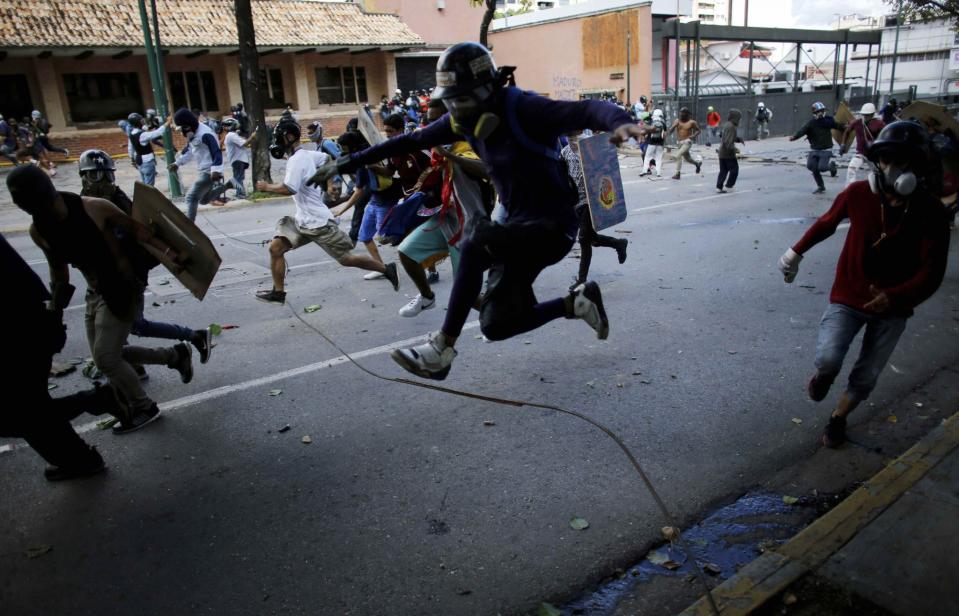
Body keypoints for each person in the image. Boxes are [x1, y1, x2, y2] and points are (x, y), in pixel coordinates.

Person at [309, 42, 644, 380]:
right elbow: (408, 141)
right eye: (451, 101)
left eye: (463, 99)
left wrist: (621, 122)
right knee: (497, 324)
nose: (457, 110)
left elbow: (587, 110)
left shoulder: (524, 109)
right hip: (516, 229)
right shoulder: (463, 122)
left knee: (476, 237)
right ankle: (577, 303)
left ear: (489, 90)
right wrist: (346, 162)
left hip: (552, 228)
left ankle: (442, 348)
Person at [778, 121, 950, 448]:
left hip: (894, 308)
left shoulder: (931, 213)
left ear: (917, 167)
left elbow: (933, 272)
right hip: (848, 297)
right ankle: (825, 377)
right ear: (877, 162)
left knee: (867, 374)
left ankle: (838, 419)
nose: (892, 168)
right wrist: (795, 252)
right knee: (829, 358)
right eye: (886, 160)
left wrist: (896, 297)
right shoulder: (857, 194)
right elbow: (827, 223)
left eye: (902, 161)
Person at [8, 165, 194, 434]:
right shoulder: (39, 230)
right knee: (107, 356)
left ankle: (143, 406)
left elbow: (140, 231)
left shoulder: (94, 207)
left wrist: (172, 254)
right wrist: (55, 315)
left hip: (122, 286)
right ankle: (175, 355)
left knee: (106, 358)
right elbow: (59, 272)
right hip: (95, 291)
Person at [0, 232, 131, 480]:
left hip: (15, 330)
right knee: (28, 407)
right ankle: (91, 419)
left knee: (22, 411)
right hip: (25, 322)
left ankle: (84, 446)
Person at [76, 148, 214, 374]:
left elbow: (141, 237)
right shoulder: (84, 203)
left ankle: (192, 338)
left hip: (129, 277)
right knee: (121, 327)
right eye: (94, 175)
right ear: (83, 177)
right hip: (103, 280)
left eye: (105, 175)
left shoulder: (118, 204)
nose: (101, 182)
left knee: (135, 325)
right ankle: (135, 365)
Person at [252, 118, 399, 304]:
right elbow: (327, 159)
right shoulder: (305, 155)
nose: (277, 143)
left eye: (279, 138)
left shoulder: (297, 160)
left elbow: (289, 188)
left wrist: (267, 187)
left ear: (289, 137)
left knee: (346, 259)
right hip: (303, 221)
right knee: (275, 248)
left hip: (319, 223)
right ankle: (278, 293)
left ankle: (387, 270)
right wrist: (329, 183)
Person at [330, 125, 405, 279]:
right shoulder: (370, 152)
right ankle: (381, 268)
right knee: (364, 236)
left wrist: (341, 210)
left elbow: (358, 191)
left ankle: (412, 242)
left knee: (386, 237)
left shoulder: (363, 160)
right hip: (374, 201)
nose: (343, 151)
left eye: (344, 148)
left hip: (386, 201)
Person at [562, 134, 628, 288]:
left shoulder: (591, 147)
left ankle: (582, 280)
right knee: (592, 239)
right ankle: (618, 243)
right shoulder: (565, 152)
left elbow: (606, 168)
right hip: (575, 201)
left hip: (591, 200)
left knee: (584, 238)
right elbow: (563, 174)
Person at [169, 107, 225, 220]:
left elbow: (217, 153)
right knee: (203, 200)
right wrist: (177, 163)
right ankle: (229, 185)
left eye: (182, 129)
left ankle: (189, 227)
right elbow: (189, 151)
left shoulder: (205, 134)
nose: (181, 132)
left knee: (191, 197)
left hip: (209, 172)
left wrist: (215, 171)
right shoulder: (193, 134)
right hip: (202, 170)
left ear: (187, 126)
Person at [790, 102, 844, 195]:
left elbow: (838, 126)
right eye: (818, 111)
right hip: (814, 149)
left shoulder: (828, 120)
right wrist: (794, 137)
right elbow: (802, 130)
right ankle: (821, 186)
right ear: (814, 113)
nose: (820, 113)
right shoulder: (811, 123)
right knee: (812, 167)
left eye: (822, 111)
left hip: (826, 149)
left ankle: (832, 167)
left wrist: (846, 127)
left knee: (822, 168)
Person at [841, 103, 885, 187]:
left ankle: (879, 188)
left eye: (867, 115)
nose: (865, 117)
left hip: (873, 154)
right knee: (851, 168)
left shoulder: (879, 124)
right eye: (864, 115)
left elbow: (886, 135)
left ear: (872, 114)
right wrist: (843, 144)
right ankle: (850, 188)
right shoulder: (857, 122)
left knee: (878, 173)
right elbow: (847, 131)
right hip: (860, 152)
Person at [127, 112, 168, 186]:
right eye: (141, 120)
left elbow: (130, 148)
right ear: (137, 122)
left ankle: (144, 197)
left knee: (144, 185)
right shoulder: (142, 135)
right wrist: (167, 123)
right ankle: (148, 197)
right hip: (147, 161)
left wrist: (132, 159)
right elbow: (157, 133)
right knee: (149, 187)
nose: (142, 122)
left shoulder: (131, 134)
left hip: (139, 161)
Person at [221, 117, 255, 199]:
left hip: (236, 160)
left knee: (238, 177)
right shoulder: (232, 135)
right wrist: (252, 137)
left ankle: (238, 192)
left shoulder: (231, 135)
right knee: (238, 178)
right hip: (238, 160)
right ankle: (240, 193)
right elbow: (245, 144)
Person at [666, 106, 703, 180]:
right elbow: (671, 130)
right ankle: (697, 164)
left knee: (678, 155)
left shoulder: (692, 122)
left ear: (687, 114)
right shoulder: (677, 121)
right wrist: (672, 127)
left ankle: (677, 174)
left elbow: (698, 130)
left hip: (687, 142)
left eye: (683, 113)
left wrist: (693, 135)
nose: (681, 114)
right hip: (680, 142)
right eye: (680, 112)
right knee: (688, 159)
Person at [717, 108, 743, 193]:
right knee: (734, 169)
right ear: (735, 118)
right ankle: (729, 185)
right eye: (738, 118)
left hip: (722, 153)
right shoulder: (731, 127)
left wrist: (738, 139)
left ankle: (719, 186)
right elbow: (728, 141)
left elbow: (727, 137)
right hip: (728, 153)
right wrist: (735, 149)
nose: (739, 120)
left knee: (723, 170)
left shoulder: (727, 125)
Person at [639, 109, 666, 177]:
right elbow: (665, 135)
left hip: (651, 142)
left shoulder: (652, 122)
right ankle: (658, 172)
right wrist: (663, 143)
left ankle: (645, 170)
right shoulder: (663, 123)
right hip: (660, 143)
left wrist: (642, 133)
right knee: (658, 158)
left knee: (646, 156)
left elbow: (646, 132)